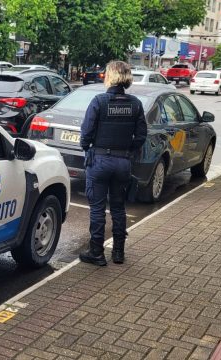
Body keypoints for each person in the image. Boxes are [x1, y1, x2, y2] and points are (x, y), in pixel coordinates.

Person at [78, 61, 147, 266]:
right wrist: (127, 150)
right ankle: (118, 253)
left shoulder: (99, 101)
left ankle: (97, 253)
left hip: (99, 160)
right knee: (118, 207)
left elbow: (86, 132)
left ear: (110, 77)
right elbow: (141, 135)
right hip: (122, 161)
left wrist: (87, 147)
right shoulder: (135, 104)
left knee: (98, 208)